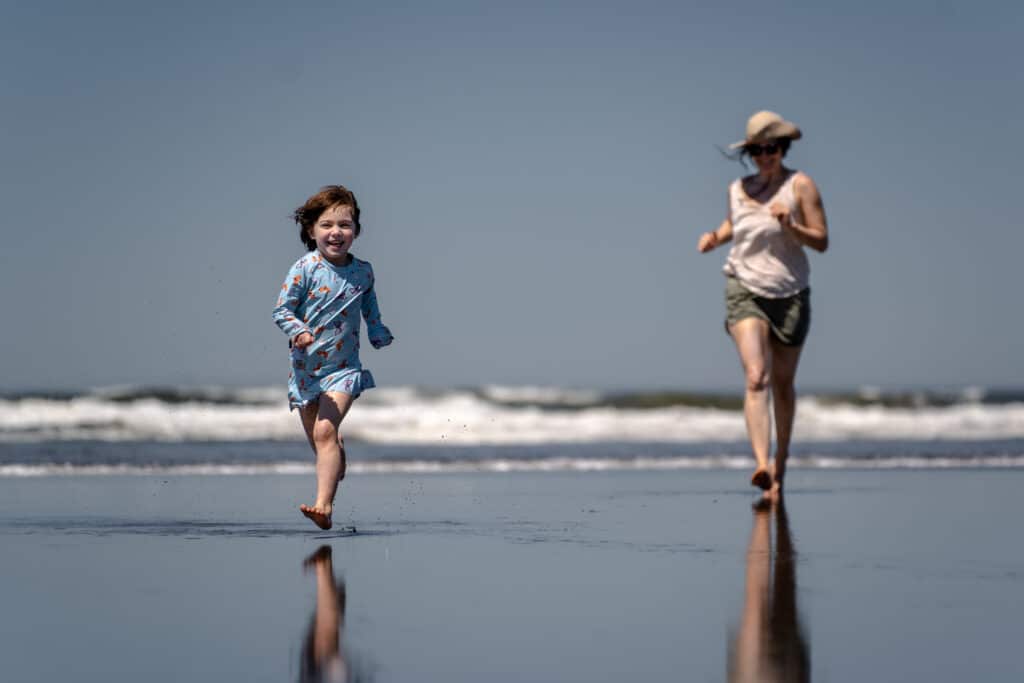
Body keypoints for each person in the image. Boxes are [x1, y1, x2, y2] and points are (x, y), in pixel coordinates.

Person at [697, 111, 828, 500]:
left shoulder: (800, 186)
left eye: (770, 149)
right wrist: (714, 238)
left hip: (790, 293)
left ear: (783, 148)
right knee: (757, 376)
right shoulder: (738, 188)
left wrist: (792, 226)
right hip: (744, 287)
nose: (764, 156)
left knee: (783, 386)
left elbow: (821, 241)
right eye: (756, 150)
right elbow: (734, 225)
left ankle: (780, 466)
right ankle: (760, 464)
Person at [273, 185, 393, 529]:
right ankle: (336, 456)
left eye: (345, 224)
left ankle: (323, 507)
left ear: (356, 230)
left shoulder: (363, 272)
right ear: (311, 231)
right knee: (323, 442)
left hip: (343, 369)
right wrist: (298, 330)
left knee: (324, 433)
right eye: (327, 225)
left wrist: (377, 330)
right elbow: (282, 310)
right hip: (306, 371)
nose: (336, 232)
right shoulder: (304, 268)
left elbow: (369, 306)